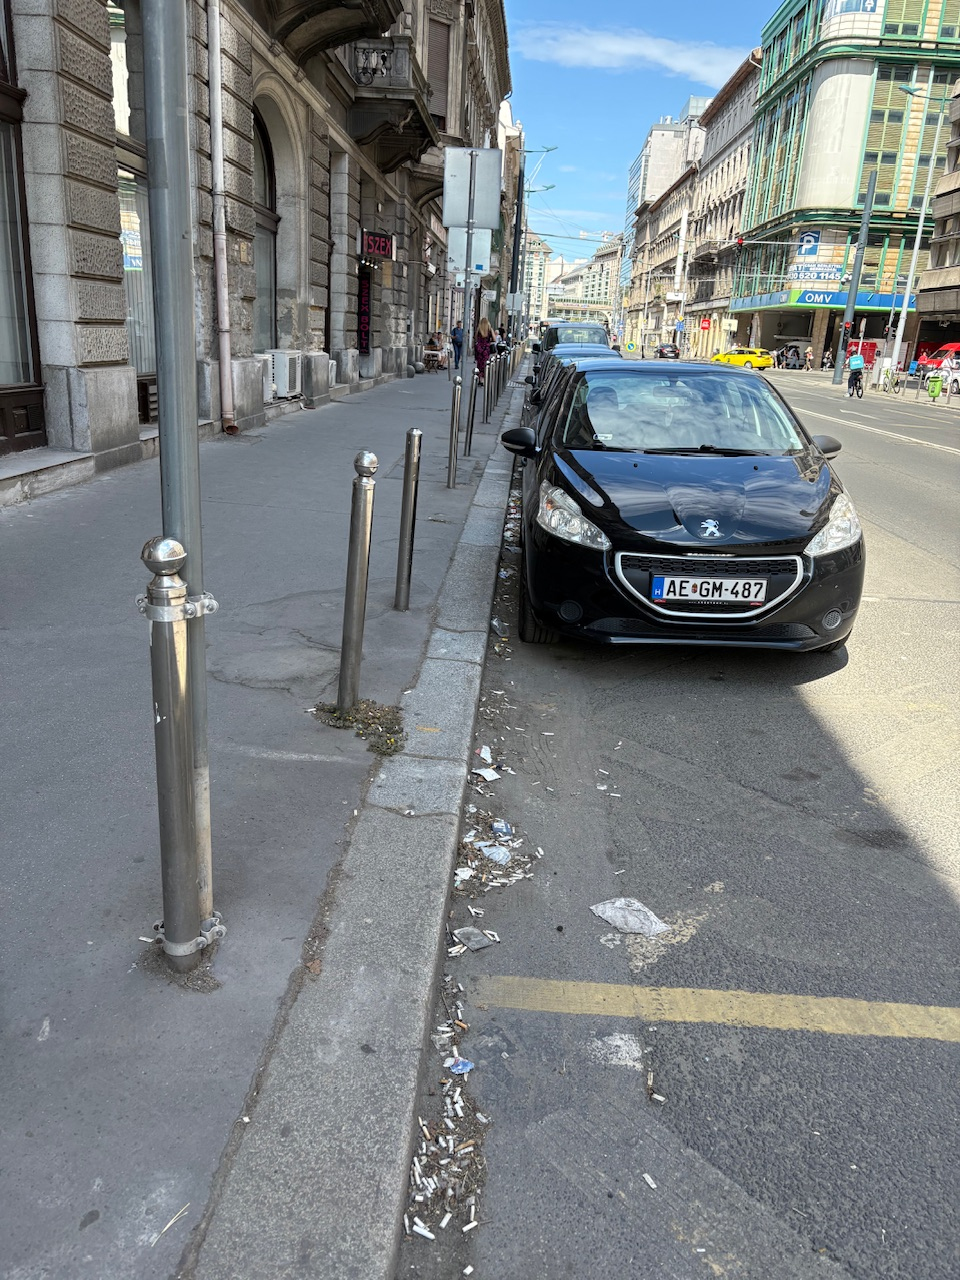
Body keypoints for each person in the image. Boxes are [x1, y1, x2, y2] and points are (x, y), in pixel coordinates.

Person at [474, 316, 494, 384]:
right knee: (485, 364)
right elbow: (494, 339)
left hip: (479, 349)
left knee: (479, 364)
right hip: (486, 349)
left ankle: (479, 378)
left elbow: (476, 338)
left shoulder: (479, 329)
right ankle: (483, 378)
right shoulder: (489, 330)